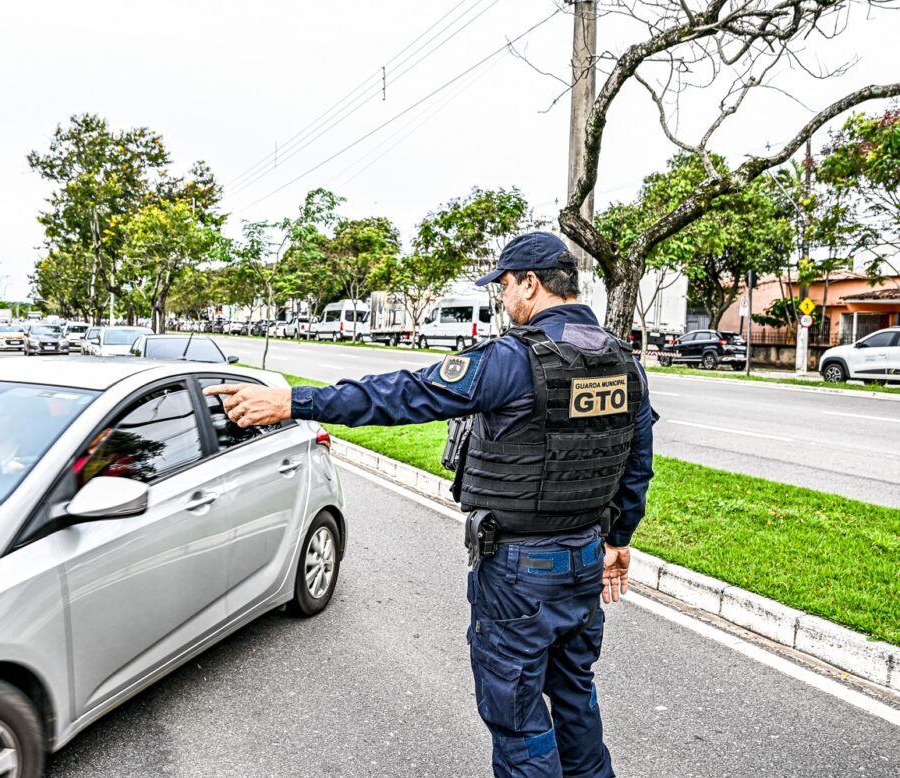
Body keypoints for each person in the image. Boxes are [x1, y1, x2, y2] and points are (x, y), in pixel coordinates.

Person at [203, 232, 656, 778]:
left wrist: (291, 401)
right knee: (576, 697)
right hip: (585, 559)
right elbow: (637, 463)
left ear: (530, 284)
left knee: (519, 721)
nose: (502, 299)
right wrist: (619, 540)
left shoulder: (513, 359)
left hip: (520, 573)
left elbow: (404, 394)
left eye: (505, 286)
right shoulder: (623, 362)